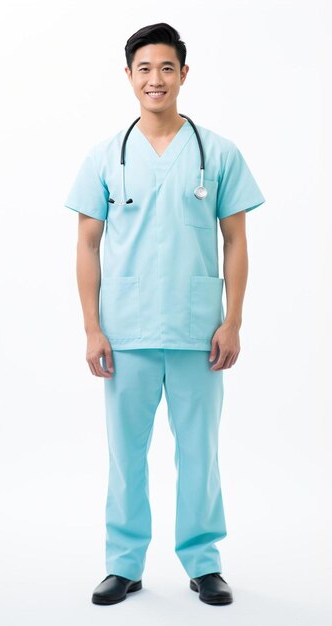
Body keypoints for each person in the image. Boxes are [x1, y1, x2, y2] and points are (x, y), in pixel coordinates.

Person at [64, 22, 266, 606]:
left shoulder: (219, 152)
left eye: (166, 68)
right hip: (124, 332)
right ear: (129, 76)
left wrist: (234, 320)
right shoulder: (105, 156)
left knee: (199, 453)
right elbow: (86, 244)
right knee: (126, 455)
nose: (156, 79)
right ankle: (124, 564)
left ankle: (204, 563)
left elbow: (236, 242)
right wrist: (92, 327)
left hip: (198, 330)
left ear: (183, 74)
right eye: (144, 69)